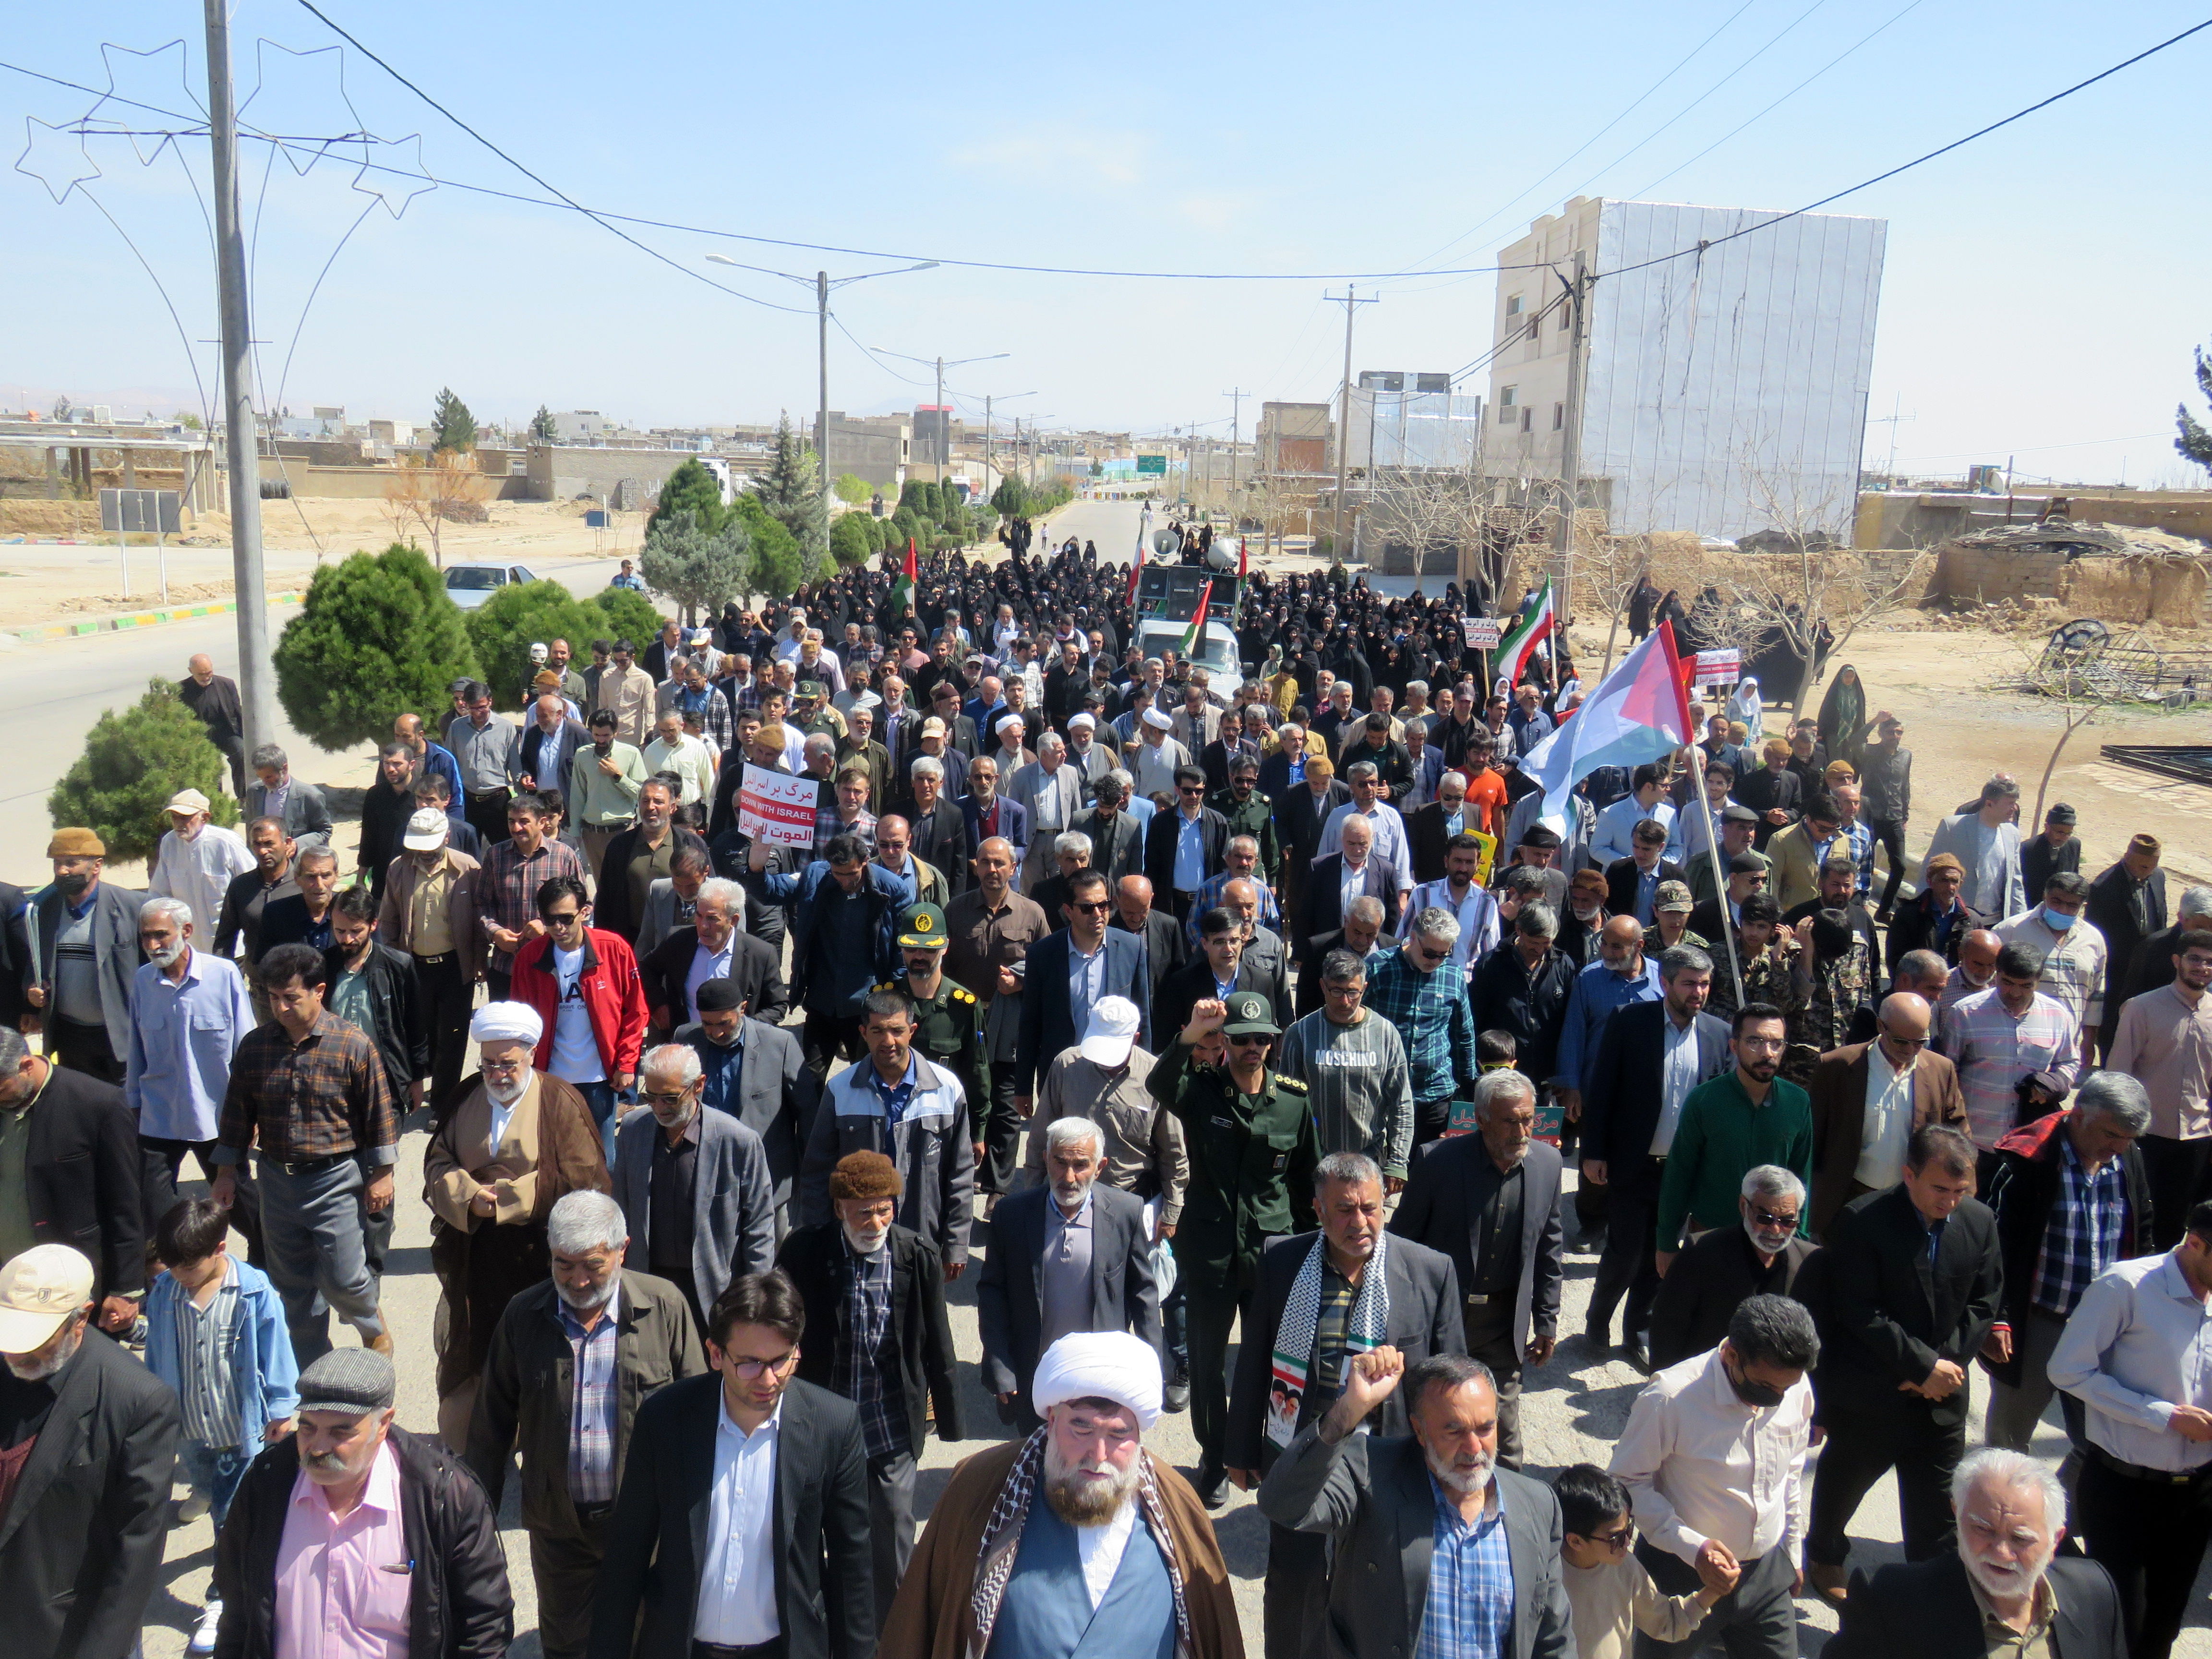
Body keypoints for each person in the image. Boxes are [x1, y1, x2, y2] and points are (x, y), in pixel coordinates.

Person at [1226, 1151, 1464, 1659]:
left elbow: (1452, 1384)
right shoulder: (1282, 1260)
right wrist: (1242, 1449)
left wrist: (1452, 1467)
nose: (1360, 1223)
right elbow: (1255, 1360)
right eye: (1344, 1210)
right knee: (1295, 1586)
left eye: (1370, 1209)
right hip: (1303, 1456)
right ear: (1318, 1210)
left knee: (1379, 1588)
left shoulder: (1429, 1271)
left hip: (1389, 1463)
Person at [881, 1329, 1242, 1658]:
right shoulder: (979, 1491)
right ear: (1052, 1421)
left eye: (1118, 1434)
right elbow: (916, 1628)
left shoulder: (1177, 1509)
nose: (1098, 1455)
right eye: (1081, 1429)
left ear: (1139, 1434)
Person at [464, 1187, 708, 1659]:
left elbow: (699, 1419)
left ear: (622, 1250)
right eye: (564, 1265)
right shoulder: (523, 1316)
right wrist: (473, 1519)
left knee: (651, 1642)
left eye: (593, 1265)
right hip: (560, 1530)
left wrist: (698, 1518)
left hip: (647, 1526)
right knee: (568, 1645)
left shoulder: (665, 1308)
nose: (578, 1281)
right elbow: (491, 1425)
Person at [589, 1268, 876, 1659]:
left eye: (782, 1361)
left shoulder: (834, 1425)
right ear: (715, 1354)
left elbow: (851, 1565)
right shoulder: (665, 1420)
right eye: (750, 1364)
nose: (769, 1379)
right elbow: (628, 1552)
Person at [1257, 1347, 1575, 1659]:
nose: (1474, 1447)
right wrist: (1349, 1410)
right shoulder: (1371, 1475)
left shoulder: (1537, 1506)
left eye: (1485, 1428)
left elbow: (1553, 1640)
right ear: (1420, 1431)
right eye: (1454, 1431)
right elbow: (1281, 1503)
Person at [1804, 1124, 2003, 1600]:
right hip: (1873, 1393)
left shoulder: (1979, 1221)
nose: (1950, 1201)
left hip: (1942, 1398)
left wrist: (1942, 1368)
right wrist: (1920, 1368)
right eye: (1940, 1189)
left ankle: (1929, 1593)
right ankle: (1825, 1554)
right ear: (1909, 1174)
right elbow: (1858, 1310)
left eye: (1959, 1191)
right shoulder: (1862, 1221)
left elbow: (1985, 1302)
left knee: (1938, 1510)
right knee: (1843, 1484)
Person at [215, 1346, 512, 1659]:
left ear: (383, 1424)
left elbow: (484, 1626)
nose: (318, 1448)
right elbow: (237, 1613)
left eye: (340, 1431)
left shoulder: (445, 1498)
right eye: (308, 1427)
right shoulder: (264, 1488)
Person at [776, 1152, 963, 1628]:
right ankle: (829, 1631)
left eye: (884, 1210)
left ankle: (894, 1635)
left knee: (893, 1536)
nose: (876, 1223)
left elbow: (939, 1343)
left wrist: (949, 1420)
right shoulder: (805, 1252)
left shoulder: (916, 1255)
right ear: (839, 1208)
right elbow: (778, 1324)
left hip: (889, 1425)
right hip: (823, 1426)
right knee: (817, 1534)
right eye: (863, 1212)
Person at [1151, 991, 1321, 1506]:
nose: (1253, 1048)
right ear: (1225, 1043)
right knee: (1207, 1363)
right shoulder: (1202, 1091)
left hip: (1273, 1251)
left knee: (1274, 1358)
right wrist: (1190, 1033)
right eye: (1242, 1039)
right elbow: (1160, 1083)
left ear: (1273, 1043)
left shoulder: (1293, 1100)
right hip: (1212, 1251)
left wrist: (1314, 1248)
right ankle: (1215, 1455)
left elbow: (1306, 1181)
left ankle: (1267, 1448)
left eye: (1262, 1039)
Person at [424, 1001, 611, 1446]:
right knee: (479, 1353)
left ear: (531, 1054)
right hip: (478, 1253)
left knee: (545, 1355)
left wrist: (510, 1200)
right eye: (488, 1063)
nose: (497, 1074)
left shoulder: (559, 1100)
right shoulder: (467, 1097)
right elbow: (437, 1161)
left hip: (543, 1257)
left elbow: (583, 1177)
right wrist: (469, 1197)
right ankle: (484, 1442)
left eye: (507, 1063)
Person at [212, 942, 398, 1361]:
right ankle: (312, 1362)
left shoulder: (352, 1045)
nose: (281, 1008)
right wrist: (226, 1174)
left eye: (291, 998)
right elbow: (237, 1114)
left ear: (319, 991)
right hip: (277, 1182)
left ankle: (373, 1331)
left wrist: (382, 1173)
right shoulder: (256, 1047)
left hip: (336, 1180)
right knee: (292, 1284)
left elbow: (379, 1114)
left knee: (345, 1277)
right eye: (273, 998)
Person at [2047, 1196, 2212, 1659]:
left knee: (2163, 1631)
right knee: (2122, 1631)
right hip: (2124, 1490)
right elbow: (2067, 1370)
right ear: (2195, 1244)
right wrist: (2164, 1416)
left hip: (2196, 1495)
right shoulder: (2127, 1286)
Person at [1610, 1295, 1818, 1659]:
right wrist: (1695, 1548)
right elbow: (1626, 1482)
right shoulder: (1671, 1398)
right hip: (1680, 1578)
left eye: (1786, 1389)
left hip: (1766, 1576)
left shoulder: (1792, 1387)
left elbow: (1791, 1472)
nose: (1777, 1399)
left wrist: (1792, 1552)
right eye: (1766, 1388)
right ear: (1732, 1356)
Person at [0, 1243, 180, 1659]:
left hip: (59, 1634)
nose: (16, 1353)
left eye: (35, 1340)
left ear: (81, 1318)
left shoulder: (137, 1401)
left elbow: (135, 1551)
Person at [143, 1196, 295, 1650]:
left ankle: (221, 1598)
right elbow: (156, 1352)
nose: (180, 1276)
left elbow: (277, 1348)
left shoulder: (253, 1291)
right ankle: (204, 1490)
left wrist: (282, 1407)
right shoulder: (165, 1291)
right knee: (203, 1475)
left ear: (220, 1249)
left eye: (189, 1267)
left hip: (235, 1428)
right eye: (173, 1266)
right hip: (187, 1423)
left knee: (229, 1518)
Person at [1390, 1070, 1563, 1466]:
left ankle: (1505, 1498)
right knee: (1435, 1420)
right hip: (1442, 1319)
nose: (1522, 1132)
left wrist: (1547, 1319)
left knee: (1503, 1434)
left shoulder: (1548, 1164)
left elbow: (1550, 1248)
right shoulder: (1438, 1162)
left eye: (1528, 1120)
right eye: (1510, 1121)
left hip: (1503, 1324)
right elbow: (1400, 1247)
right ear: (1481, 1119)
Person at [1984, 1071, 2155, 1453]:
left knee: (2102, 1445)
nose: (2118, 1147)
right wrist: (1998, 1317)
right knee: (2008, 1443)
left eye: (2129, 1139)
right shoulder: (2030, 1159)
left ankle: (2064, 1496)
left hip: (2106, 1325)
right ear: (2078, 1116)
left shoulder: (2128, 1158)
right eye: (2111, 1135)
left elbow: (2142, 1234)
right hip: (2038, 1323)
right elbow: (1994, 1248)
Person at [1822, 1447, 2125, 1659]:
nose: (2001, 1552)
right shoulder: (1894, 1601)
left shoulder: (2093, 1592)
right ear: (1957, 1515)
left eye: (2020, 1538)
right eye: (1983, 1529)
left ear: (2055, 1541)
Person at [1580, 947, 1732, 1366]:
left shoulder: (1719, 1034)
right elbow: (1603, 1088)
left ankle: (1638, 1331)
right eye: (1689, 983)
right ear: (1665, 983)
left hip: (1683, 1172)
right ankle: (1598, 1319)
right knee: (1625, 1254)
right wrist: (1594, 1152)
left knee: (1661, 1256)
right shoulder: (1630, 1022)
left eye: (1704, 984)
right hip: (1633, 1163)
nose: (1698, 992)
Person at [980, 1117, 1162, 1429]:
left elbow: (1143, 1294)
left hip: (1100, 1375)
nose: (1069, 1177)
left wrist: (1150, 1369)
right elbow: (992, 1293)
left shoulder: (1125, 1212)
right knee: (1037, 1451)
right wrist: (999, 1363)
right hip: (1035, 1374)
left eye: (1081, 1165)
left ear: (1100, 1167)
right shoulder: (1012, 1214)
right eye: (1060, 1162)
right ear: (1045, 1159)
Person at [798, 988, 975, 1275]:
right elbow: (818, 1173)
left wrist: (956, 1243)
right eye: (878, 1031)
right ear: (863, 1033)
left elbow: (961, 1173)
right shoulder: (841, 1090)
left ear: (912, 1031)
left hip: (922, 1237)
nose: (888, 1041)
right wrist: (817, 1238)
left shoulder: (947, 1089)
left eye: (897, 1030)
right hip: (858, 1237)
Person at [126, 896, 259, 1259]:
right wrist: (133, 1106)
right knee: (153, 1209)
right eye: (146, 937)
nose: (153, 945)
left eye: (161, 935)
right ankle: (177, 1269)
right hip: (159, 1116)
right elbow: (136, 1049)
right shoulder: (143, 981)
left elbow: (246, 1048)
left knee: (241, 1205)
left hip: (215, 1116)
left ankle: (268, 1261)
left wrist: (252, 1113)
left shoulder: (223, 975)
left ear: (186, 931)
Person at [613, 1043, 775, 1334]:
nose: (659, 1108)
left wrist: (756, 1299)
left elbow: (760, 1226)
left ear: (698, 1086)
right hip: (647, 1285)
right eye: (650, 1097)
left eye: (670, 1098)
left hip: (713, 1290)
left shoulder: (738, 1141)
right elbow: (621, 1207)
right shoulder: (634, 1129)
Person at [1654, 1003, 1811, 1267]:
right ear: (1734, 1046)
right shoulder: (1704, 1100)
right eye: (1755, 1042)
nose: (1767, 1053)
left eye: (1777, 1044)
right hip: (1711, 1236)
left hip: (1773, 1241)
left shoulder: (1798, 1102)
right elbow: (1679, 1174)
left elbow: (1801, 1178)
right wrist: (1667, 1243)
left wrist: (1799, 1241)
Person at [508, 875, 649, 1166]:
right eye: (550, 920)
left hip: (599, 1079)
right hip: (549, 1078)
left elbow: (636, 1012)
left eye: (566, 918)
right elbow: (518, 1022)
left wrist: (626, 1064)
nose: (558, 928)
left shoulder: (615, 949)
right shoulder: (529, 958)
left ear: (585, 912)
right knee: (553, 1157)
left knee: (601, 1159)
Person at [1806, 990, 1967, 1235]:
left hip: (1912, 1203)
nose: (1910, 1050)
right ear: (1881, 1026)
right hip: (1846, 1199)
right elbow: (1812, 1136)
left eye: (1919, 1042)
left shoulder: (1940, 1070)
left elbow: (1958, 1136)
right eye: (1901, 1041)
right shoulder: (1837, 1066)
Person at [375, 806, 485, 1119]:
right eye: (419, 847)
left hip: (455, 967)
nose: (424, 854)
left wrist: (479, 962)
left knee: (452, 1036)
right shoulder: (399, 869)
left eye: (430, 847)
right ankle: (418, 1086)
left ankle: (443, 1103)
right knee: (421, 1034)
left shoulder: (468, 869)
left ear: (447, 837)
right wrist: (392, 962)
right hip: (415, 968)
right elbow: (389, 920)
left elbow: (479, 921)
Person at [1556, 1462, 1729, 1659]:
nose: (1627, 1542)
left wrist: (1716, 1588)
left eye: (1629, 1529)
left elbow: (1666, 1622)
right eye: (1616, 1538)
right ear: (1576, 1541)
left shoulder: (1626, 1568)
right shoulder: (1546, 1577)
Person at [2107, 927, 2212, 1254]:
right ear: (2177, 961)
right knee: (2135, 1222)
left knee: (2176, 1226)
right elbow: (2118, 1076)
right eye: (2195, 959)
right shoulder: (2142, 1008)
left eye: (2210, 962)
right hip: (2146, 1137)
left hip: (2198, 1139)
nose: (2202, 968)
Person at [1648, 1165, 1815, 1370]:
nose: (1775, 1229)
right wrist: (1665, 1383)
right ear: (1744, 1206)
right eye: (1765, 1218)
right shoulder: (1702, 1252)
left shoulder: (1809, 1262)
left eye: (1787, 1220)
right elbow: (1667, 1328)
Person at [1275, 948, 1415, 1191]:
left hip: (1370, 1160)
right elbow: (1285, 1103)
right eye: (1337, 991)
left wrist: (1398, 1162)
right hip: (1315, 1162)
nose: (1345, 1001)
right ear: (1323, 986)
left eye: (1353, 992)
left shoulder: (1385, 1033)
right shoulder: (1301, 1034)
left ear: (1364, 988)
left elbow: (1401, 1103)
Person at [1014, 868, 1153, 1109]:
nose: (1098, 914)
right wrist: (1023, 1087)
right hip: (1063, 1075)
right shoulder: (1043, 954)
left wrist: (1145, 1077)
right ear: (1069, 911)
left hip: (1117, 1075)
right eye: (1088, 908)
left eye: (1104, 905)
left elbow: (1142, 1017)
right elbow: (1030, 1024)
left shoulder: (1132, 947)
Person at [1947, 941, 2083, 1181]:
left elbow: (2069, 1062)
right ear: (1996, 973)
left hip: (2028, 1147)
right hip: (1974, 1144)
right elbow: (1947, 1073)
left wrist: (2052, 1085)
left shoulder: (2058, 1015)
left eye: (2026, 986)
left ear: (2038, 980)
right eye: (2008, 983)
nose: (2016, 993)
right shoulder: (1965, 1013)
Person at [26, 828, 144, 1084]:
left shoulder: (132, 907)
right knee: (81, 1103)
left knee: (123, 1105)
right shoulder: (43, 909)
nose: (62, 871)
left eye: (71, 863)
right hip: (70, 1037)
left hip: (119, 1037)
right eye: (57, 863)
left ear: (97, 866)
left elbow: (153, 970)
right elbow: (34, 965)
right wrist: (33, 991)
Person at [1371, 906, 1482, 1146]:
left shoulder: (1453, 975)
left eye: (1444, 954)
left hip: (1435, 1094)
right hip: (1383, 1091)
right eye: (1430, 953)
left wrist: (1470, 1088)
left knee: (1429, 1164)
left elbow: (1464, 1034)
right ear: (1413, 938)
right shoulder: (1377, 968)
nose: (1436, 961)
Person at [478, 789, 588, 1000]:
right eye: (512, 821)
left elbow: (585, 906)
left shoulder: (563, 856)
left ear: (542, 822)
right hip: (507, 966)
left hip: (553, 966)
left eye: (524, 821)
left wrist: (548, 926)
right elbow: (482, 903)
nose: (516, 828)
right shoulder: (495, 856)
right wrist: (495, 932)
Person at [147, 787, 255, 943]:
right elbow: (160, 893)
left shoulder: (225, 842)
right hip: (190, 942)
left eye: (185, 818)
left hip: (230, 940)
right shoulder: (170, 843)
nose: (178, 823)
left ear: (205, 818)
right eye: (174, 817)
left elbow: (253, 883)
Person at [1925, 778, 2026, 921]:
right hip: (1958, 918)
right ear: (1989, 804)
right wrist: (1921, 911)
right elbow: (1930, 870)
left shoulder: (2012, 834)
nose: (2014, 808)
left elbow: (2015, 880)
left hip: (1996, 921)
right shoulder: (1953, 828)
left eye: (2015, 803)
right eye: (2010, 803)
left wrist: (2020, 918)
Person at [242, 743, 335, 851]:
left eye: (269, 777)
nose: (265, 782)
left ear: (284, 769)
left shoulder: (310, 796)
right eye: (261, 778)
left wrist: (296, 845)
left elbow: (324, 832)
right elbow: (251, 832)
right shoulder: (255, 793)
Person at [181, 652, 247, 793]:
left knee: (241, 753)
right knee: (212, 764)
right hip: (201, 738)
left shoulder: (226, 684)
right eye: (201, 674)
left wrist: (245, 736)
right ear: (191, 671)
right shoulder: (182, 690)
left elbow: (238, 712)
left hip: (226, 733)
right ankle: (216, 799)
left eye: (209, 673)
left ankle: (243, 796)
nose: (206, 677)